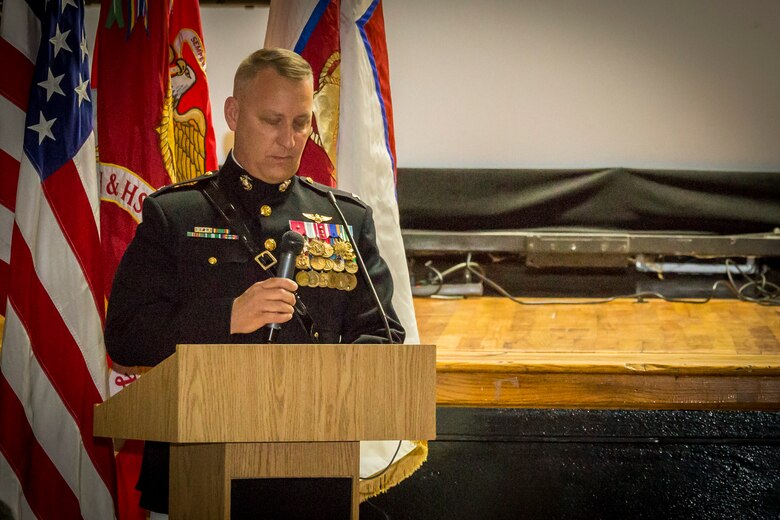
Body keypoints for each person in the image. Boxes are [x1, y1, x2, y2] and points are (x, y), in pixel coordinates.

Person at [104, 47, 405, 516]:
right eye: (272, 120)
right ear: (233, 112)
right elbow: (126, 333)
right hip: (196, 475)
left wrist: (331, 388)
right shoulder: (176, 214)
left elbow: (382, 334)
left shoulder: (345, 219)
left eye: (301, 122)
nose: (289, 139)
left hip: (317, 478)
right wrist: (227, 317)